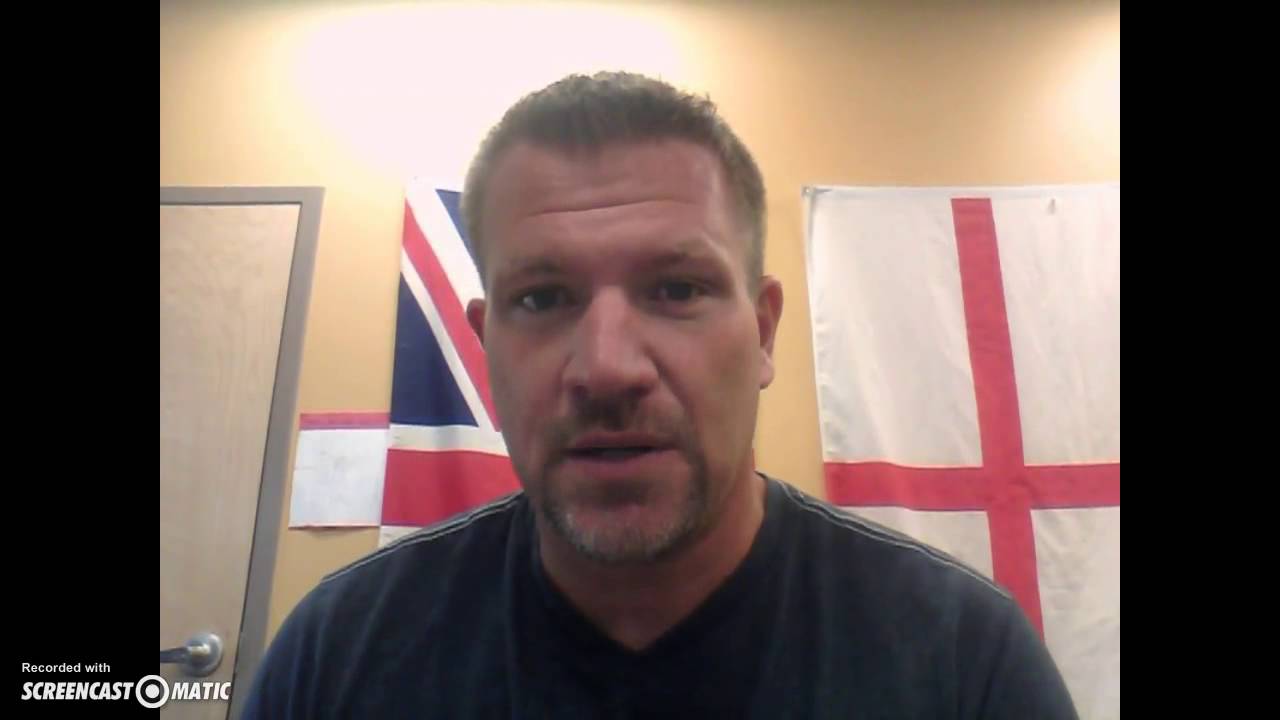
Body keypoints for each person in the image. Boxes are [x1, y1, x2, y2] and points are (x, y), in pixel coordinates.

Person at [240, 71, 1079, 719]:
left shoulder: (963, 662)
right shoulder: (336, 657)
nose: (608, 369)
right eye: (543, 298)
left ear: (764, 333)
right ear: (485, 344)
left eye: (676, 290)